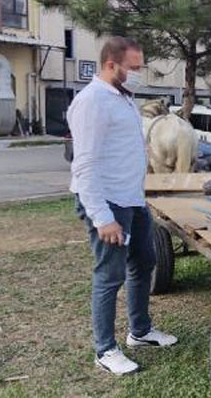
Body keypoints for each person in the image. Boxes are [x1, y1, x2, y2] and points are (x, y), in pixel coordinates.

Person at [68, 36, 177, 376]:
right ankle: (105, 350)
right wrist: (102, 217)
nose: (138, 73)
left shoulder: (123, 98)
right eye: (133, 67)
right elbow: (84, 166)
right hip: (108, 203)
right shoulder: (92, 102)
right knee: (110, 275)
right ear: (110, 64)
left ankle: (140, 331)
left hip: (132, 200)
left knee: (144, 262)